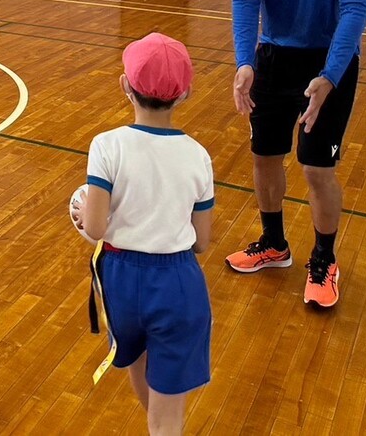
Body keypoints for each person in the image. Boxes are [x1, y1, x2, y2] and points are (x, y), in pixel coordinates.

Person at [227, 0, 366, 309]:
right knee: (265, 156)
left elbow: (354, 9)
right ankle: (274, 244)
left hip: (328, 62)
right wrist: (245, 61)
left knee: (316, 167)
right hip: (273, 58)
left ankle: (324, 259)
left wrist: (330, 74)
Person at [73, 33, 214, 436]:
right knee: (167, 417)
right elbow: (202, 241)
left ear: (124, 87)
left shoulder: (106, 146)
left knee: (136, 363)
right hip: (177, 283)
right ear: (184, 94)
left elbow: (96, 227)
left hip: (120, 280)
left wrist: (84, 213)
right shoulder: (198, 155)